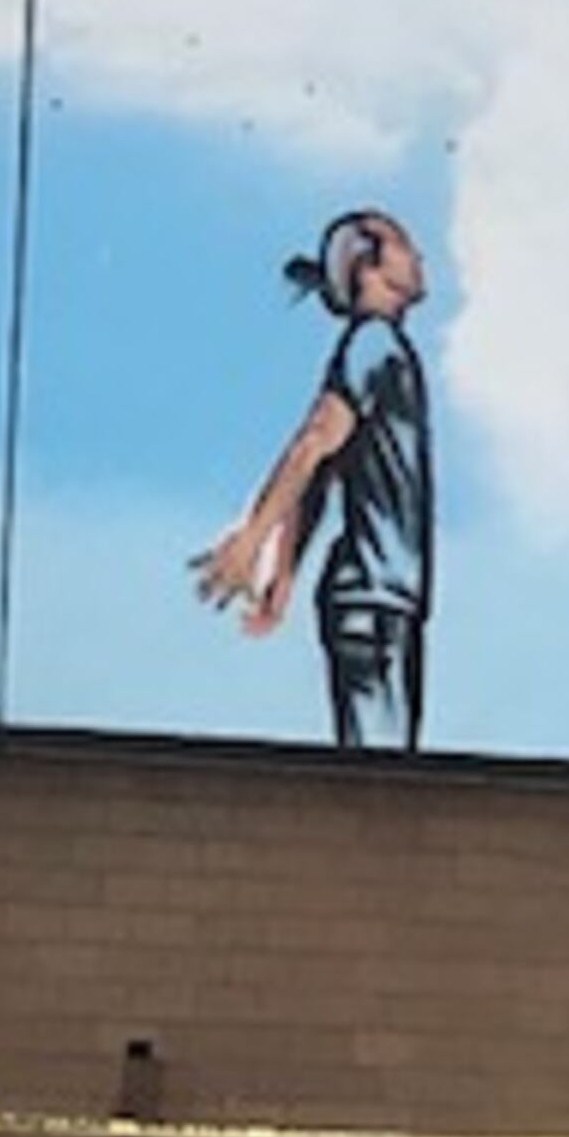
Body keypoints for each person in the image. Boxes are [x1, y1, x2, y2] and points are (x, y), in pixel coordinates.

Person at [192, 211, 437, 753]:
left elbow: (322, 476)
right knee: (381, 777)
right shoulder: (374, 344)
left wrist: (285, 573)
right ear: (370, 267)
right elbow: (313, 444)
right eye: (404, 245)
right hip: (375, 602)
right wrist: (252, 541)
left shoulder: (373, 347)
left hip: (378, 600)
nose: (419, 257)